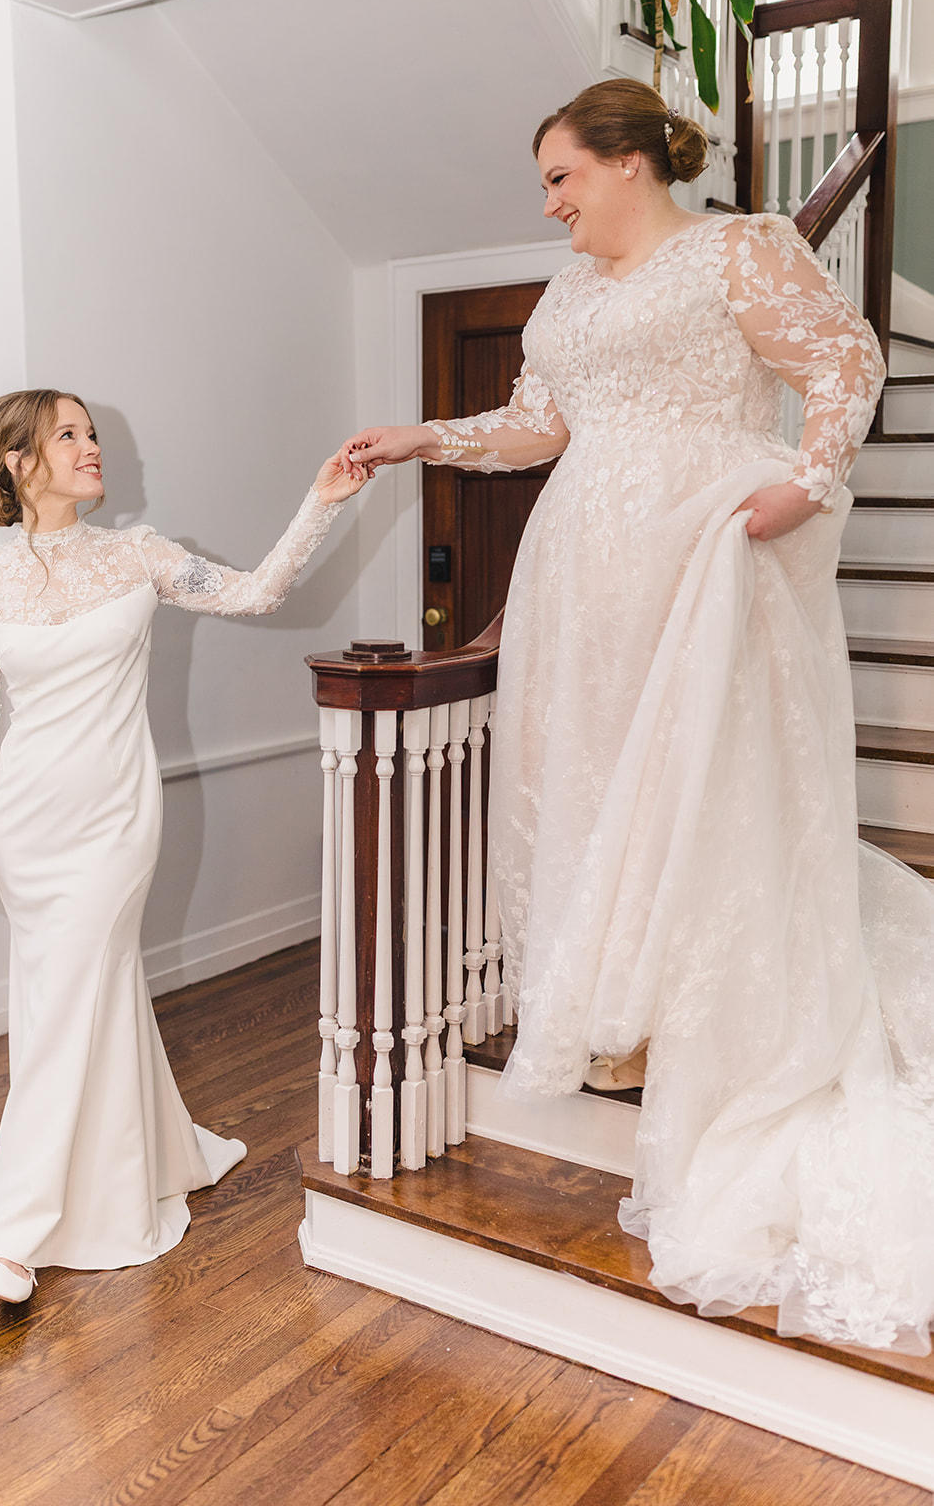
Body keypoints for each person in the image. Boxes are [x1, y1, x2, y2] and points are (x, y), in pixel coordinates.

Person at [342, 78, 934, 1353]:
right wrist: (422, 437)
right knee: (593, 782)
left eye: (560, 176)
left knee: (696, 789)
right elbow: (533, 426)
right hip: (578, 578)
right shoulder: (563, 297)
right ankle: (620, 1018)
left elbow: (843, 359)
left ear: (626, 162)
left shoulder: (737, 249)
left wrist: (808, 478)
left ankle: (707, 1015)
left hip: (698, 553)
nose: (550, 202)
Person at [0, 389, 365, 1303]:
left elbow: (258, 592)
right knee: (71, 997)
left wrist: (320, 500)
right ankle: (154, 1152)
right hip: (24, 819)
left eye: (92, 434)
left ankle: (16, 1231)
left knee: (66, 1004)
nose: (93, 449)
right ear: (18, 463)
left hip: (114, 819)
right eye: (70, 436)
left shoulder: (139, 555)